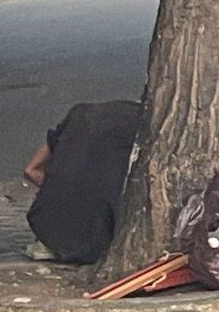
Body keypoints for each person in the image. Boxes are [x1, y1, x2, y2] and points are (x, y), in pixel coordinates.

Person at [23, 100, 140, 263]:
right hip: (96, 239)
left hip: (45, 226)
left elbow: (31, 170)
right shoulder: (144, 127)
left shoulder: (80, 113)